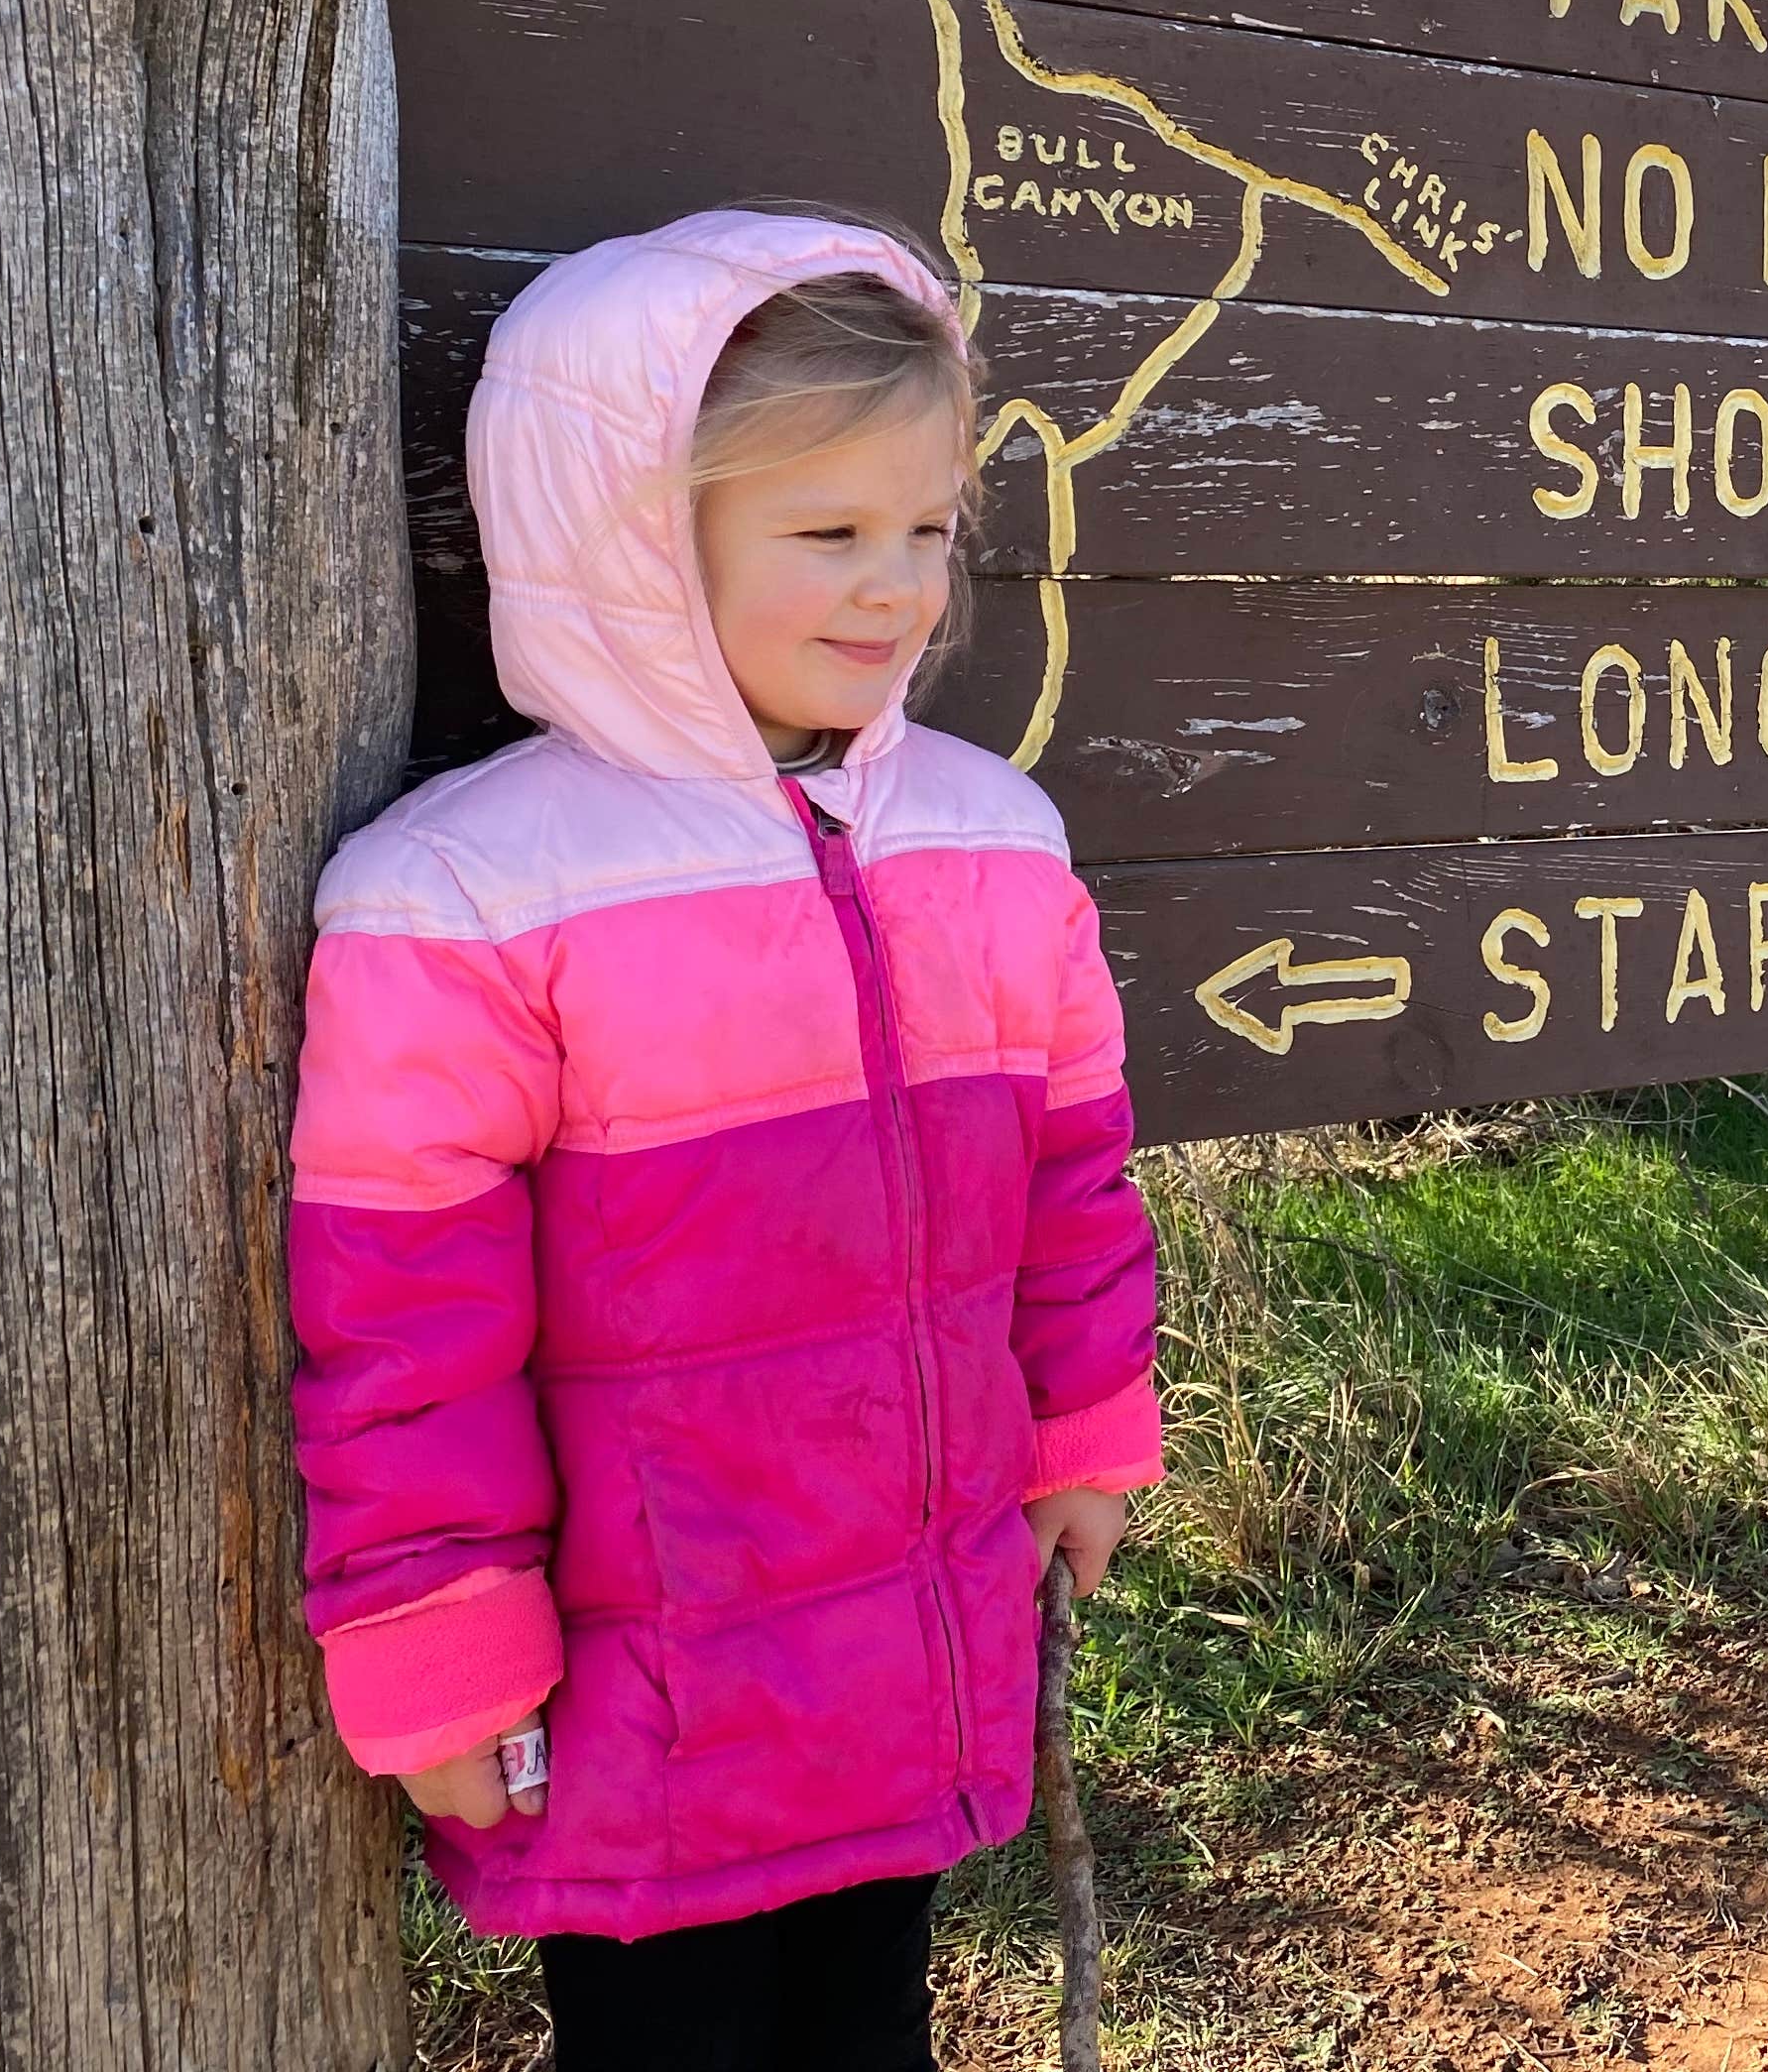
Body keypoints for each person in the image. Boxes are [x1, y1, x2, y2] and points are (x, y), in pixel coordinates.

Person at [285, 208, 1161, 2063]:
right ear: (632, 543)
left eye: (928, 532)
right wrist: (437, 1636)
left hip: (909, 1648)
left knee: (872, 2028)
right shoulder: (470, 900)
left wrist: (1082, 1424)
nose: (896, 590)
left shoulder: (993, 841)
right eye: (827, 534)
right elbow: (402, 1322)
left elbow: (1076, 1176)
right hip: (646, 1694)